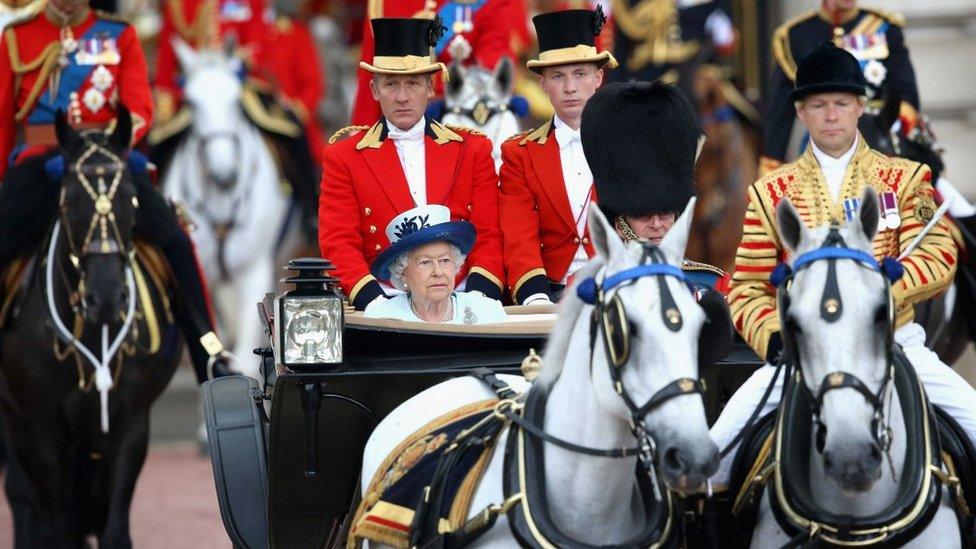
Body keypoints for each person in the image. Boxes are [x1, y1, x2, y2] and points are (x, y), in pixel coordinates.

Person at [712, 42, 976, 486]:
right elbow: (748, 288)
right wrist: (775, 338)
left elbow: (938, 253)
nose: (831, 115)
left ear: (858, 107)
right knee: (711, 461)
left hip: (896, 345)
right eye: (818, 105)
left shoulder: (905, 177)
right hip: (802, 354)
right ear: (801, 112)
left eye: (840, 104)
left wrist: (883, 294)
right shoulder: (769, 191)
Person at [0, 0, 231, 382]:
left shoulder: (119, 35)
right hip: (40, 164)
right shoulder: (16, 37)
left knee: (172, 236)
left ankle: (207, 350)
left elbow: (140, 107)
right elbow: (4, 120)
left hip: (107, 157)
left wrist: (102, 146)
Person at [319, 16, 504, 311]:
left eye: (413, 83)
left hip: (464, 298)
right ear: (374, 90)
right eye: (391, 84)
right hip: (383, 300)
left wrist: (478, 299)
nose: (402, 97)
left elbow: (489, 235)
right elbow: (339, 243)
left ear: (430, 87)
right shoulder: (344, 157)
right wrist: (375, 304)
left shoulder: (473, 150)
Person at [498, 7, 618, 305]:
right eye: (558, 76)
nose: (570, 88)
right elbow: (519, 236)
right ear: (542, 84)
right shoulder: (518, 154)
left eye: (580, 74)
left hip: (617, 284)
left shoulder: (626, 143)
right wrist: (534, 298)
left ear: (598, 77)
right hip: (547, 291)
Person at [580, 79, 728, 291]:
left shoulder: (713, 283)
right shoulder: (589, 286)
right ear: (619, 226)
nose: (657, 225)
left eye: (665, 214)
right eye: (643, 215)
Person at [760, 0, 917, 172]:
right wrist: (772, 161)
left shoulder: (885, 28)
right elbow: (780, 112)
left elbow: (907, 95)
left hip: (882, 139)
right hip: (822, 140)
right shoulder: (797, 35)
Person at [349, 0, 513, 126]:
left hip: (462, 119)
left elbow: (488, 74)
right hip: (396, 118)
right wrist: (364, 130)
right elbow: (373, 70)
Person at [365, 204, 506, 324]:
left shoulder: (488, 313)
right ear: (402, 273)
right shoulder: (379, 317)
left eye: (445, 261)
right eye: (425, 262)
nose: (438, 272)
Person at [607, 0, 735, 85]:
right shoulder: (635, 5)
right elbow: (624, 43)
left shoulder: (706, 7)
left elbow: (725, 42)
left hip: (690, 72)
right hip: (645, 75)